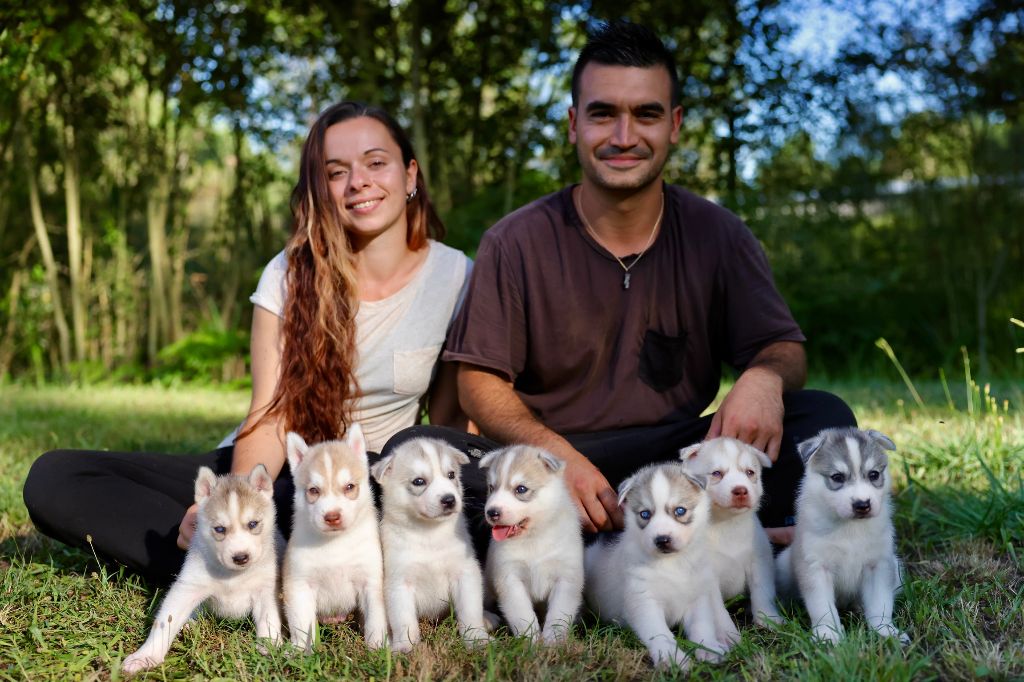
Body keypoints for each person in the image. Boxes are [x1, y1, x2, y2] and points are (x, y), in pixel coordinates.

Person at [382, 20, 856, 547]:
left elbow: (782, 348)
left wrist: (764, 379)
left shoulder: (717, 234)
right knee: (414, 448)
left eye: (645, 114)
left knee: (823, 420)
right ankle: (731, 542)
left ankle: (624, 542)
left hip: (676, 459)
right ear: (573, 125)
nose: (624, 136)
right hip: (547, 463)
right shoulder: (515, 241)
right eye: (603, 114)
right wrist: (556, 463)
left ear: (674, 124)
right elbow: (478, 382)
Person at [23, 101, 473, 584]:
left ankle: (259, 572)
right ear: (321, 190)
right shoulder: (290, 272)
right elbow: (270, 415)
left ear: (410, 175)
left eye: (376, 162)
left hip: (365, 484)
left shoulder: (455, 276)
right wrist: (232, 503)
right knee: (56, 477)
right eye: (336, 171)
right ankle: (241, 564)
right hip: (272, 473)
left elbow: (447, 427)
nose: (358, 181)